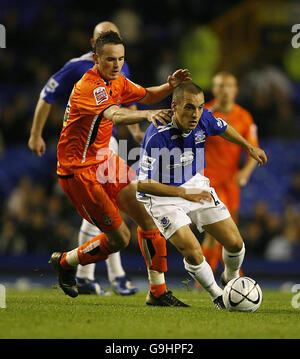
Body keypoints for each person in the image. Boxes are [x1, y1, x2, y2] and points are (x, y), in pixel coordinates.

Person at [49, 30, 192, 306]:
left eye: (120, 59)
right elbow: (115, 113)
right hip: (79, 172)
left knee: (146, 215)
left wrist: (168, 86)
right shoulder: (89, 87)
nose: (116, 64)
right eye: (110, 60)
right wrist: (146, 115)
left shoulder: (117, 81)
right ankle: (66, 262)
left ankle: (158, 292)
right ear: (96, 59)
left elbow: (147, 94)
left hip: (105, 160)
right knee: (119, 239)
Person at [28, 21, 144, 296]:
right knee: (107, 214)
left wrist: (136, 131)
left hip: (108, 144)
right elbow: (47, 95)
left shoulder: (119, 64)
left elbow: (127, 97)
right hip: (83, 151)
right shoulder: (76, 68)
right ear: (94, 45)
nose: (115, 61)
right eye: (103, 38)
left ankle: (92, 275)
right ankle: (102, 275)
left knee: (109, 212)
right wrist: (35, 134)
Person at [135, 81, 267, 309]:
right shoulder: (157, 134)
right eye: (189, 107)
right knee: (193, 251)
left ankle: (230, 278)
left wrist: (248, 146)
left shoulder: (203, 117)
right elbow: (142, 185)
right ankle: (218, 296)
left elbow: (223, 127)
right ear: (174, 106)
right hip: (163, 196)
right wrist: (183, 193)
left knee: (235, 244)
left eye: (199, 107)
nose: (195, 114)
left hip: (194, 184)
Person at [201, 71, 259, 275]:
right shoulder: (204, 113)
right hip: (208, 181)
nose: (224, 90)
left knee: (229, 231)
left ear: (236, 90)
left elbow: (253, 149)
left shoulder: (244, 117)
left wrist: (245, 172)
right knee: (218, 231)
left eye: (229, 86)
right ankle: (228, 276)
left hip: (231, 181)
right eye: (220, 86)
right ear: (214, 89)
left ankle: (219, 276)